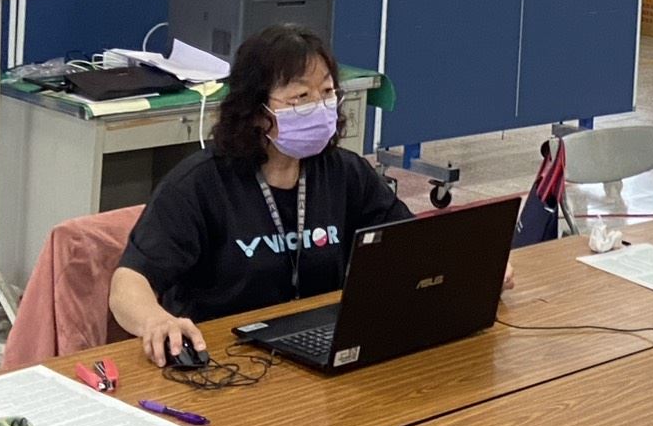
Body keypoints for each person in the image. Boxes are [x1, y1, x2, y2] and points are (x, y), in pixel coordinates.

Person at [111, 24, 512, 367]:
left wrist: (473, 269)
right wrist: (156, 321)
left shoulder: (345, 172)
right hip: (227, 355)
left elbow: (411, 245)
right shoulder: (200, 184)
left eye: (327, 92)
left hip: (321, 344)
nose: (320, 107)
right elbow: (128, 282)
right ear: (256, 110)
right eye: (301, 97)